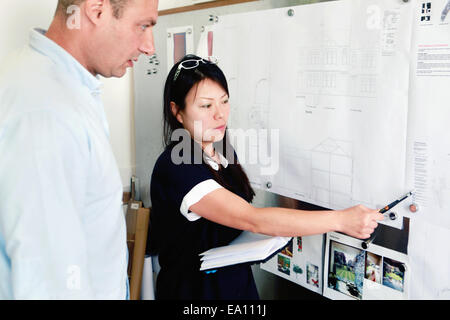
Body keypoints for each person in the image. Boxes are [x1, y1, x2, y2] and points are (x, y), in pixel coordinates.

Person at [148, 54, 384, 300]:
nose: (220, 114)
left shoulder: (222, 153)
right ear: (177, 111)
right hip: (196, 294)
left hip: (236, 285)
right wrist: (342, 220)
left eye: (224, 101)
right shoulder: (176, 167)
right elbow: (252, 219)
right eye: (206, 106)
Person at [0, 0, 158, 299]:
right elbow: (49, 283)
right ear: (96, 10)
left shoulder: (50, 82)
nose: (149, 47)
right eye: (143, 25)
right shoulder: (46, 110)